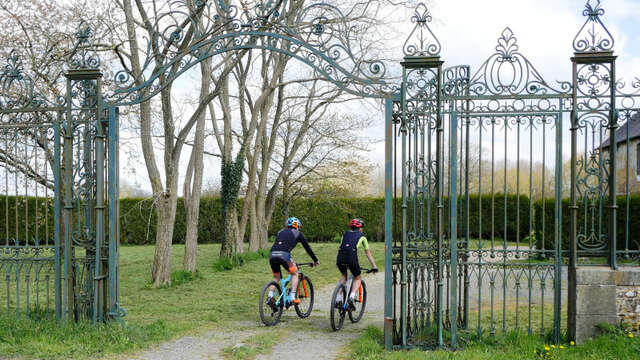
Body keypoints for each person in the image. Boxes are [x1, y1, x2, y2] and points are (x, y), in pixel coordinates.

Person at [268, 217, 319, 304]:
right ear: (297, 226)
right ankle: (292, 297)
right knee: (295, 273)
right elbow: (307, 248)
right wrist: (315, 260)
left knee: (276, 277)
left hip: (272, 255)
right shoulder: (298, 233)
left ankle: (270, 295)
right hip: (284, 256)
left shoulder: (280, 232)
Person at [335, 218, 378, 308]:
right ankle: (352, 296)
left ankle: (338, 298)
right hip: (351, 257)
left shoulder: (345, 234)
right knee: (357, 278)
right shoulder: (362, 236)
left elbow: (343, 246)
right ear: (360, 228)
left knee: (344, 275)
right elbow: (368, 253)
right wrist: (374, 266)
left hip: (340, 257)